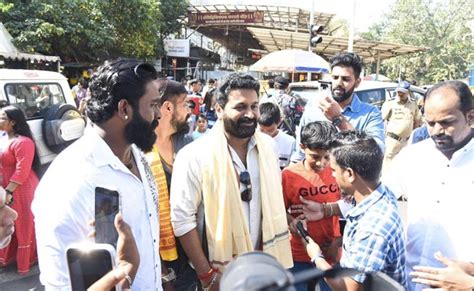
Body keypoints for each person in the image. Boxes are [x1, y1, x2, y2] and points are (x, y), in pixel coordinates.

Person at [32, 59, 163, 290]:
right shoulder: (69, 179)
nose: (158, 114)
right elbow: (60, 283)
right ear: (124, 109)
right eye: (152, 105)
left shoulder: (136, 154)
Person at [170, 73, 293, 291]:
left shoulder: (268, 148)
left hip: (263, 272)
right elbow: (182, 220)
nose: (250, 114)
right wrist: (207, 276)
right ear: (218, 109)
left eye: (254, 106)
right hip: (218, 277)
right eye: (240, 107)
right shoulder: (194, 155)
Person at [383, 80, 474, 291]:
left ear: (470, 117)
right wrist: (329, 209)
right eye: (430, 123)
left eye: (446, 122)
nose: (436, 131)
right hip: (408, 281)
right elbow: (380, 197)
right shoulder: (414, 155)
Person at [305, 130, 406, 289]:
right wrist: (324, 210)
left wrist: (316, 256)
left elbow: (347, 287)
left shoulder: (372, 229)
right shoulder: (380, 193)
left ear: (350, 174)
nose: (332, 175)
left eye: (334, 170)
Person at [146, 79, 196, 291]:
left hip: (191, 254)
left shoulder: (189, 144)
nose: (189, 111)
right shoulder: (139, 150)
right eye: (185, 104)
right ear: (168, 107)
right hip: (156, 257)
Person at [293, 52, 385, 162]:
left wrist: (338, 118)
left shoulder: (370, 113)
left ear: (357, 82)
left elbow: (377, 152)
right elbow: (300, 152)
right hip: (317, 178)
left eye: (346, 79)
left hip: (349, 177)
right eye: (335, 77)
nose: (338, 83)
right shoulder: (314, 107)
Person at [282, 121, 341, 291]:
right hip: (298, 253)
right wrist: (292, 222)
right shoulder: (289, 175)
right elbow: (279, 211)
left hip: (331, 252)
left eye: (327, 157)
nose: (321, 163)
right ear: (302, 147)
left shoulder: (339, 172)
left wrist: (337, 241)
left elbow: (350, 209)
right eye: (314, 156)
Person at [0, 105, 40, 274]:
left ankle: (27, 260)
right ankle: (9, 256)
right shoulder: (3, 138)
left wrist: (8, 192)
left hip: (21, 189)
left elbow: (22, 171)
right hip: (7, 188)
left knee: (22, 223)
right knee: (8, 222)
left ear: (13, 122)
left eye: (2, 117)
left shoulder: (23, 142)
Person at [381, 81, 421, 172]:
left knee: (404, 163)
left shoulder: (413, 104)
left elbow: (417, 120)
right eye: (398, 92)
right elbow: (381, 119)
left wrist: (412, 133)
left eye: (402, 92)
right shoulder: (390, 103)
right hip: (393, 139)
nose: (400, 94)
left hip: (407, 140)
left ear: (407, 92)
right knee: (388, 162)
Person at [258, 102, 296, 169]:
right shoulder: (252, 140)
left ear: (279, 122)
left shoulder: (290, 142)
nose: (266, 135)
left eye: (270, 130)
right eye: (262, 131)